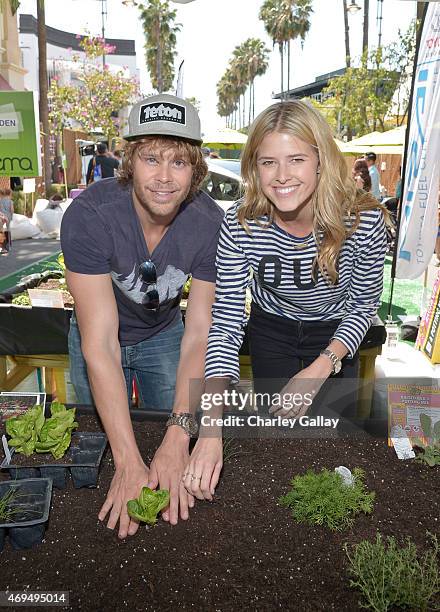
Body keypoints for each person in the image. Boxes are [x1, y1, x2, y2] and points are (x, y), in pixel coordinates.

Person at [182, 100, 388, 501]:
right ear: (254, 168)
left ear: (320, 161)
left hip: (335, 333)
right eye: (268, 162)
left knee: (332, 437)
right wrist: (210, 429)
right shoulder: (241, 224)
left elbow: (362, 305)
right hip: (271, 329)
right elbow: (224, 325)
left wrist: (319, 368)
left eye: (295, 159)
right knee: (277, 434)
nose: (282, 176)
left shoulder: (363, 223)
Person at [60, 94, 224, 537]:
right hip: (97, 336)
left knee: (169, 434)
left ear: (197, 170)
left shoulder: (210, 225)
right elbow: (100, 342)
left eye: (179, 162)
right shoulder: (89, 217)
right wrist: (128, 461)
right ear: (129, 159)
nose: (165, 178)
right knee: (94, 443)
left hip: (165, 335)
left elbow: (200, 333)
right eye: (151, 158)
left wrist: (177, 436)